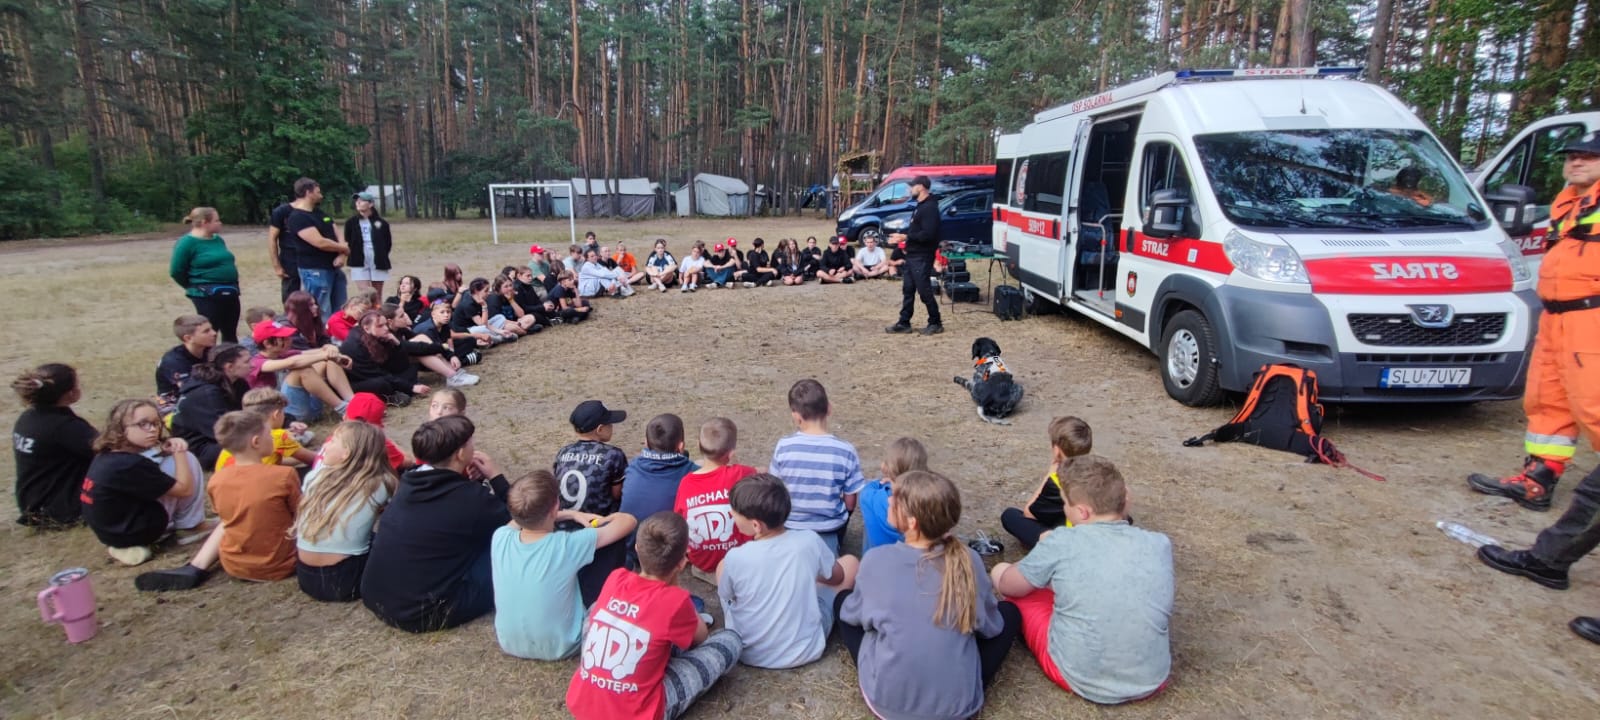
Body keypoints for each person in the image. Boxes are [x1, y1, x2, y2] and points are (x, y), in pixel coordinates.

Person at [1469, 132, 1600, 645]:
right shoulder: (1568, 205)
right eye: (1572, 155)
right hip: (1558, 318)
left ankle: (1551, 555)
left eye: (1588, 156)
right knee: (1547, 405)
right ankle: (1539, 479)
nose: (1576, 162)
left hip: (1592, 320)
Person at [836, 470, 1021, 720]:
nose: (888, 499)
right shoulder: (970, 560)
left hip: (888, 703)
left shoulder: (876, 560)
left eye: (894, 497)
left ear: (912, 522)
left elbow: (854, 615)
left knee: (842, 603)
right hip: (957, 708)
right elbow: (990, 626)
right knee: (1009, 613)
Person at [990, 456, 1173, 704]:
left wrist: (1036, 555)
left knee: (1003, 574)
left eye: (1065, 503)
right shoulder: (1159, 544)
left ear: (1082, 512)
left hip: (1077, 675)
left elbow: (1009, 585)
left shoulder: (1061, 541)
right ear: (1125, 499)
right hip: (1152, 677)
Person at [566, 512, 742, 720]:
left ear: (637, 549)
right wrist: (676, 589)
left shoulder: (615, 577)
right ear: (682, 562)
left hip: (583, 704)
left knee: (598, 607)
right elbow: (701, 637)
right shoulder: (675, 600)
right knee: (730, 639)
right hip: (637, 713)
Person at [361, 416, 510, 632]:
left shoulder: (409, 482)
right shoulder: (470, 498)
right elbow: (523, 521)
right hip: (426, 611)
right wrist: (496, 477)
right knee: (509, 551)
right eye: (471, 443)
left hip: (377, 595)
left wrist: (471, 482)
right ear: (460, 453)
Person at [135, 411, 302, 591]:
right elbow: (301, 514)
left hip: (234, 565)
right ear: (256, 442)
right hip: (281, 564)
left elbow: (225, 516)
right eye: (269, 435)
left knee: (237, 517)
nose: (272, 438)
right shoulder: (284, 475)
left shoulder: (217, 479)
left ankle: (197, 566)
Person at [717, 473, 858, 668]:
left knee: (722, 566)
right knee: (851, 562)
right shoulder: (809, 541)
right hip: (805, 650)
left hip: (748, 652)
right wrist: (812, 575)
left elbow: (728, 595)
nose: (732, 517)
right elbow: (838, 577)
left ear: (756, 525)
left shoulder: (736, 557)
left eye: (734, 514)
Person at [492, 470, 637, 660]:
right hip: (565, 645)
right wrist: (589, 518)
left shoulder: (500, 537)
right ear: (555, 506)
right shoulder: (566, 544)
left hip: (509, 643)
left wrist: (570, 514)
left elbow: (516, 521)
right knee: (612, 545)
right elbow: (628, 521)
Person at [81, 399, 208, 566]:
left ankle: (126, 546)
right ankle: (190, 526)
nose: (153, 429)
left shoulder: (107, 455)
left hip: (109, 532)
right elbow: (185, 490)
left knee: (164, 465)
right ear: (121, 428)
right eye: (143, 424)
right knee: (187, 460)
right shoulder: (131, 464)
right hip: (134, 531)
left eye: (156, 423)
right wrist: (180, 452)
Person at [292, 421, 396, 601]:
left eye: (332, 441)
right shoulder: (381, 483)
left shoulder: (314, 476)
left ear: (346, 454)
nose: (325, 446)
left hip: (305, 575)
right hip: (348, 579)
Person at [770, 379, 865, 555]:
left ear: (796, 416)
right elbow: (850, 501)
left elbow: (775, 487)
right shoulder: (845, 450)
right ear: (829, 408)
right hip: (829, 527)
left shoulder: (784, 446)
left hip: (791, 524)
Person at [12, 364, 96, 528]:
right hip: (59, 508)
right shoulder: (64, 427)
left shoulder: (28, 418)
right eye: (76, 384)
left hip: (33, 502)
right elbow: (108, 449)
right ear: (70, 393)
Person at [674, 417, 757, 575]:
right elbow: (760, 473)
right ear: (731, 454)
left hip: (701, 561)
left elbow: (679, 518)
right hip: (739, 558)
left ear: (699, 444)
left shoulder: (686, 482)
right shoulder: (742, 473)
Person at [1001, 416, 1094, 550]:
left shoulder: (1057, 481)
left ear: (1056, 450)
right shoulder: (1097, 471)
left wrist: (1050, 474)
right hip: (1091, 529)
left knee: (1010, 516)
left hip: (1071, 540)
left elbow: (1029, 514)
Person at [620, 414, 698, 566]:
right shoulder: (693, 473)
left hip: (634, 549)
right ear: (681, 446)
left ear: (646, 442)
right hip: (670, 553)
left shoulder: (632, 467)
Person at [248, 318, 354, 420]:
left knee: (328, 361)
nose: (290, 340)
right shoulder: (256, 363)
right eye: (283, 338)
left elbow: (320, 352)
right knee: (302, 370)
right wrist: (326, 355)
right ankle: (343, 408)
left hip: (304, 406)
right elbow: (293, 362)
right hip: (282, 414)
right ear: (267, 344)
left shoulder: (283, 354)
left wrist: (332, 350)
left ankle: (352, 401)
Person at [170, 345, 251, 469]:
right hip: (198, 448)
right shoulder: (207, 393)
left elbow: (252, 411)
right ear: (229, 367)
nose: (252, 365)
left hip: (219, 438)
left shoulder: (238, 383)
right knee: (252, 446)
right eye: (247, 362)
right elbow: (224, 432)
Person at [170, 207, 242, 343]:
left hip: (230, 291)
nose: (220, 223)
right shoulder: (186, 243)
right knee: (210, 332)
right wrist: (194, 286)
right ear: (204, 222)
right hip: (205, 294)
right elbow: (176, 271)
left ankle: (230, 354)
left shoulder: (218, 240)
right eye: (217, 220)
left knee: (230, 331)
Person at [887, 175, 944, 335]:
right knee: (908, 289)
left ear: (921, 187)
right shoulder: (920, 206)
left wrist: (905, 237)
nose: (909, 189)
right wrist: (902, 237)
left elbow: (928, 234)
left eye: (912, 186)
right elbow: (917, 231)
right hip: (912, 255)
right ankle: (904, 322)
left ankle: (935, 322)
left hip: (922, 256)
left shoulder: (929, 208)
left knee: (924, 290)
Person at [284, 177, 350, 314]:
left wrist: (342, 254)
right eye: (318, 192)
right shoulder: (298, 217)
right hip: (315, 271)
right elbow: (320, 242)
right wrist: (345, 248)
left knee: (340, 310)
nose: (321, 195)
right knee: (321, 310)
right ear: (308, 193)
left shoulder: (319, 213)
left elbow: (337, 232)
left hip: (334, 268)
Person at [340, 311, 433, 406]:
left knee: (411, 368)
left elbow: (402, 364)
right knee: (381, 384)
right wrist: (411, 387)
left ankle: (399, 390)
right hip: (360, 380)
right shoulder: (355, 346)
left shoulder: (377, 335)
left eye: (385, 324)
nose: (386, 328)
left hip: (380, 373)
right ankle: (390, 396)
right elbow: (376, 374)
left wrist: (397, 344)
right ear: (367, 328)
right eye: (380, 326)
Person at [554, 400, 630, 517]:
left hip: (564, 520)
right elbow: (617, 494)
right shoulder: (613, 455)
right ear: (600, 429)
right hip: (598, 523)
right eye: (609, 423)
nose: (612, 426)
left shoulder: (563, 452)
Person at [214, 387, 317, 471]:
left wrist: (297, 460)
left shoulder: (237, 434)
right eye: (283, 412)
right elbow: (313, 459)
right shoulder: (278, 436)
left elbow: (271, 461)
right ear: (276, 414)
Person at [858, 436, 929, 552]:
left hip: (875, 558)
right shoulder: (928, 501)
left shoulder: (869, 496)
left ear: (886, 467)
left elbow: (869, 487)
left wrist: (888, 480)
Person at [155, 315, 219, 413]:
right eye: (206, 331)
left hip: (205, 396)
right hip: (174, 404)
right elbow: (190, 390)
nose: (214, 333)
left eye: (212, 329)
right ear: (188, 338)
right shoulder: (174, 361)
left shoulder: (210, 350)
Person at [342, 392, 410, 472]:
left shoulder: (334, 439)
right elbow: (408, 462)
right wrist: (389, 442)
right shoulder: (378, 443)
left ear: (345, 417)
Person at [344, 191, 393, 298]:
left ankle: (378, 309)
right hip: (358, 259)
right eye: (357, 201)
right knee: (365, 294)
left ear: (370, 204)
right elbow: (347, 240)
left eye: (362, 201)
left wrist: (381, 254)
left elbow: (387, 242)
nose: (358, 203)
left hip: (378, 259)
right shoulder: (351, 222)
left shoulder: (381, 223)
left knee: (376, 294)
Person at [268, 200, 300, 301]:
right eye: (318, 192)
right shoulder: (281, 212)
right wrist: (277, 266)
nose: (321, 196)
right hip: (290, 262)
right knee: (291, 298)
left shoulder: (315, 212)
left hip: (311, 262)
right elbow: (272, 239)